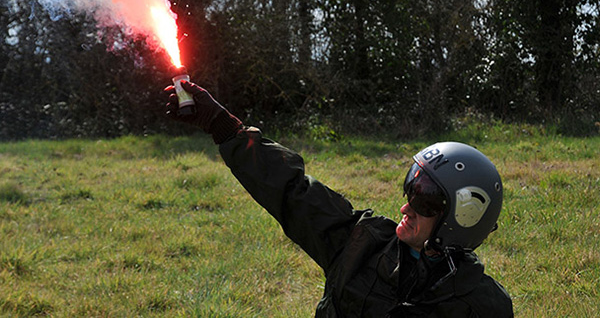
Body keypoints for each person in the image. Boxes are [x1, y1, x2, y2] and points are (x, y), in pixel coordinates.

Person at [164, 80, 514, 317]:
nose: (406, 207)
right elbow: (293, 191)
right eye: (411, 189)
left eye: (424, 202)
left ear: (460, 219)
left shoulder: (485, 306)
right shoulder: (360, 244)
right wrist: (222, 126)